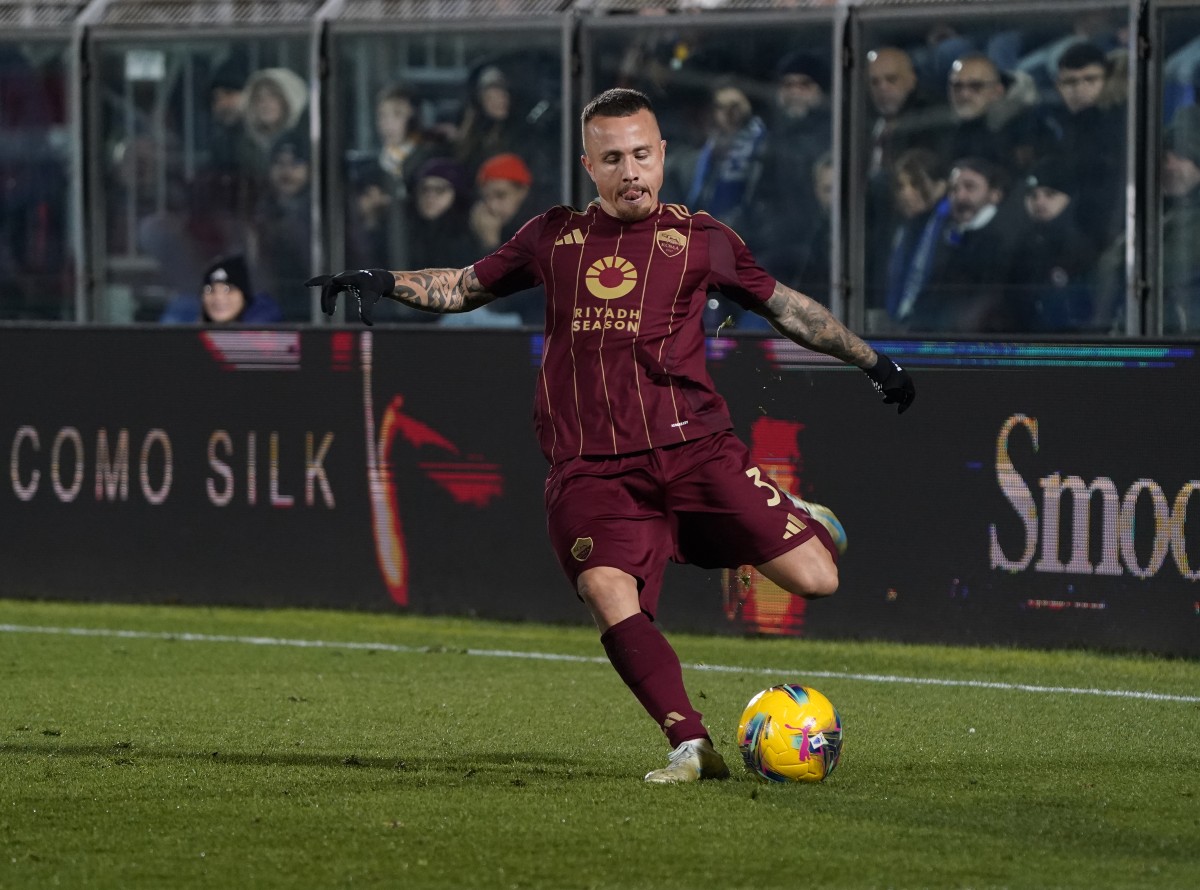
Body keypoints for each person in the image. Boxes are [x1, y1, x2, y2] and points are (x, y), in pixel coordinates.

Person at [308, 88, 915, 784]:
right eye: (613, 159)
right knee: (605, 588)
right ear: (589, 166)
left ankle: (793, 517)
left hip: (695, 452)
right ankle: (690, 744)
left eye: (642, 155)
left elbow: (788, 310)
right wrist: (385, 279)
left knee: (818, 580)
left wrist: (873, 361)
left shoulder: (702, 239)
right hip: (591, 467)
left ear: (662, 156)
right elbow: (464, 285)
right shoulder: (551, 236)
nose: (631, 172)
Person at [1006, 155, 1097, 332]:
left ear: (1069, 198)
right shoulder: (1020, 246)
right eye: (1033, 195)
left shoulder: (1080, 248)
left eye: (1050, 194)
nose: (1040, 202)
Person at [161, 254, 281, 324]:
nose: (218, 298)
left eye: (228, 290)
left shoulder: (264, 318)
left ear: (244, 296)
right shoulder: (185, 316)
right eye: (209, 290)